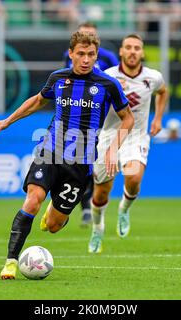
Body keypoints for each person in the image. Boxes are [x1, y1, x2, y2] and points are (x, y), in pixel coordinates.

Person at [0, 31, 134, 279]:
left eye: (91, 55)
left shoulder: (108, 84)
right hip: (50, 152)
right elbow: (37, 101)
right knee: (33, 200)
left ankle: (54, 211)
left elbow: (127, 118)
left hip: (80, 164)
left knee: (53, 226)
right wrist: (7, 121)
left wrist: (112, 149)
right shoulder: (58, 79)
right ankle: (10, 262)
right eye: (81, 54)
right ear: (71, 54)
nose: (86, 59)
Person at [88, 34, 169, 254]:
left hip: (136, 136)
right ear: (121, 52)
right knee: (100, 194)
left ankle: (124, 209)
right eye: (128, 48)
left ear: (142, 53)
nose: (133, 51)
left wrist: (158, 118)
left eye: (137, 48)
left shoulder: (153, 77)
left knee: (133, 178)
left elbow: (163, 92)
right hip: (108, 137)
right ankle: (98, 227)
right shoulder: (108, 76)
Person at [62, 22, 120, 227]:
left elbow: (115, 79)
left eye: (91, 35)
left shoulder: (108, 58)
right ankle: (82, 205)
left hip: (102, 118)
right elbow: (65, 80)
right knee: (77, 163)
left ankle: (89, 204)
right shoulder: (70, 57)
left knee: (93, 165)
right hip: (77, 118)